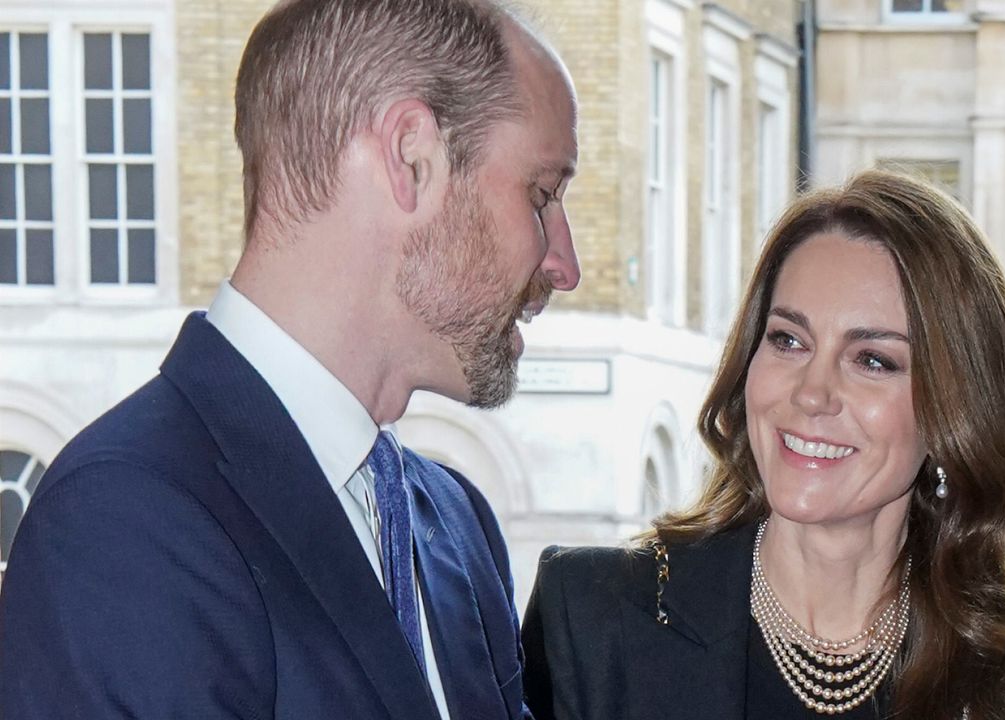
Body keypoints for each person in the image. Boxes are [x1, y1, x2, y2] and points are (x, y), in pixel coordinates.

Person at [0, 1, 578, 718]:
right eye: (543, 194)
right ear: (411, 159)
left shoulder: (458, 524)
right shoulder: (120, 526)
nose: (564, 263)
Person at [522, 171, 1005, 719]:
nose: (812, 394)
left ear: (956, 407)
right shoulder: (593, 617)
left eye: (872, 359)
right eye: (788, 341)